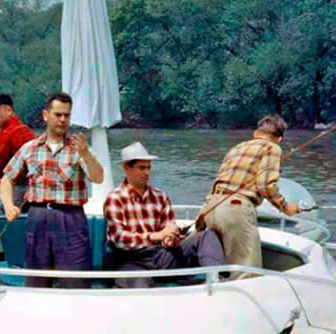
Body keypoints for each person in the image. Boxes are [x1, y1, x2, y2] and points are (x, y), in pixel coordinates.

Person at [0, 92, 104, 288]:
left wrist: (86, 156)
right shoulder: (29, 148)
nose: (63, 120)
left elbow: (98, 178)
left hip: (70, 218)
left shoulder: (80, 148)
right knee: (36, 281)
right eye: (58, 114)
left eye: (67, 115)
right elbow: (7, 179)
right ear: (46, 115)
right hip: (38, 218)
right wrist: (8, 205)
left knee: (75, 282)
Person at [104, 142, 226, 288]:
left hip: (161, 256)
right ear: (126, 168)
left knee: (206, 236)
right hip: (130, 261)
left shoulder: (160, 196)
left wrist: (172, 238)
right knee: (139, 286)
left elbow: (166, 237)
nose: (147, 173)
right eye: (141, 168)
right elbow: (119, 239)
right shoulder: (115, 199)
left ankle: (217, 281)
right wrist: (155, 236)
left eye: (149, 167)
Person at [201, 115, 300, 276]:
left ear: (256, 132)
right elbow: (265, 185)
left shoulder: (236, 148)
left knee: (223, 271)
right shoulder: (272, 148)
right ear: (279, 138)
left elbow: (217, 184)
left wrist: (200, 222)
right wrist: (286, 208)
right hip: (235, 210)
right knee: (247, 273)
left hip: (211, 207)